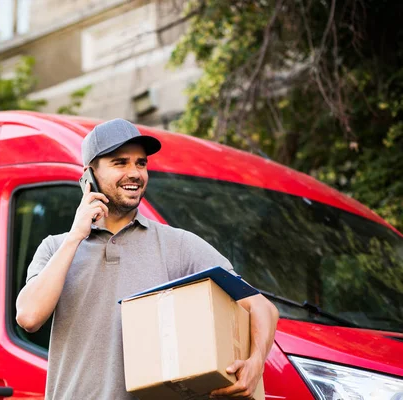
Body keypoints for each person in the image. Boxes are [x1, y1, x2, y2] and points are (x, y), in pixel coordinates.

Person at [16, 118, 279, 400]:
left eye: (141, 163)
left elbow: (262, 307)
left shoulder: (177, 245)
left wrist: (255, 364)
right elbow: (29, 317)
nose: (135, 173)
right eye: (120, 163)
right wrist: (74, 237)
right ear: (89, 175)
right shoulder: (56, 247)